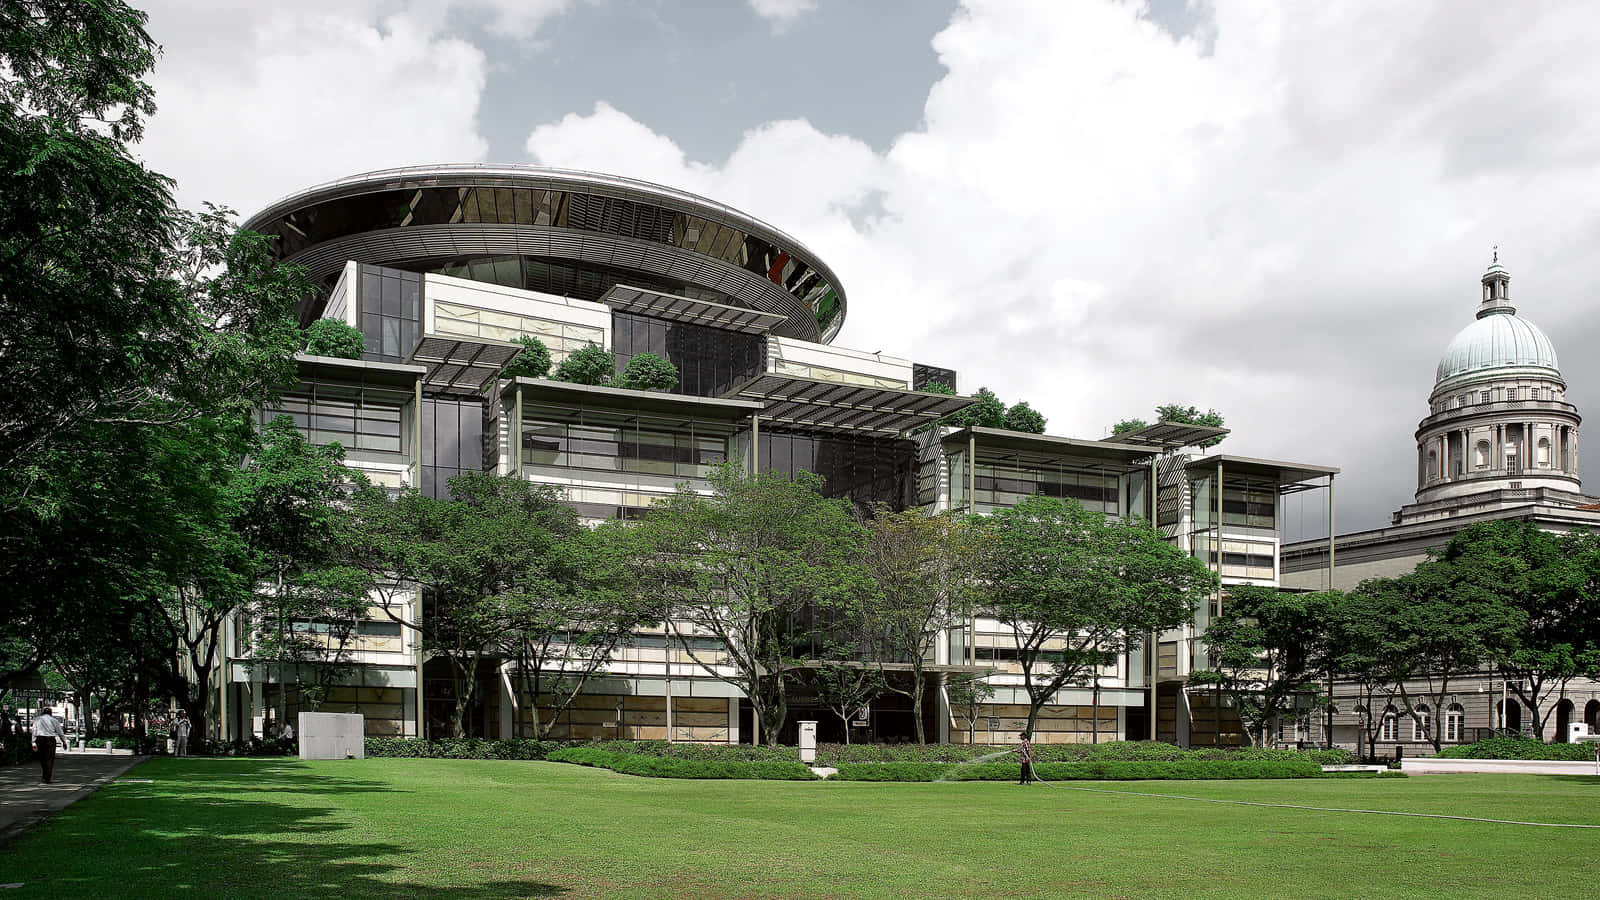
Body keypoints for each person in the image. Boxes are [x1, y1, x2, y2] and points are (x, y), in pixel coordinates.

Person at [31, 707, 66, 784]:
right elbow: (60, 732)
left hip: (40, 739)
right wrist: (64, 741)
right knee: (50, 758)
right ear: (51, 713)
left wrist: (33, 742)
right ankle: (48, 776)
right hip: (50, 740)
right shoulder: (54, 720)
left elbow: (34, 731)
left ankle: (45, 775)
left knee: (42, 758)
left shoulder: (37, 720)